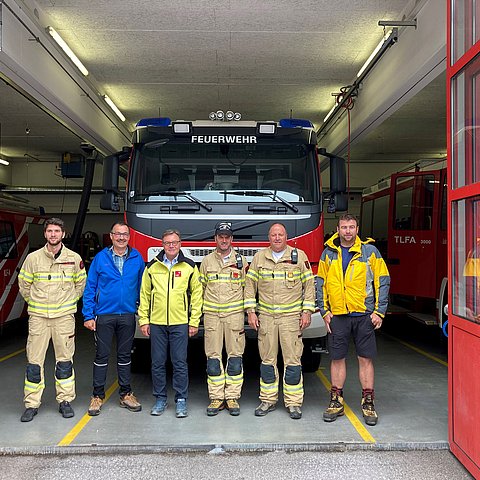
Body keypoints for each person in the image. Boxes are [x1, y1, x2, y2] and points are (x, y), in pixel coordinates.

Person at [316, 214, 390, 426]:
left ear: (357, 229)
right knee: (337, 358)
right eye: (343, 227)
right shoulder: (328, 253)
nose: (347, 231)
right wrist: (324, 311)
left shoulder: (370, 252)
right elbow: (319, 283)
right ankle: (336, 400)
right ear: (337, 229)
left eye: (351, 227)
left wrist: (379, 311)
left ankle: (368, 402)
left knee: (365, 359)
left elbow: (383, 281)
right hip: (338, 316)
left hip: (364, 315)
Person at [17, 217, 86, 422]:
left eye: (57, 231)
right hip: (38, 318)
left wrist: (67, 302)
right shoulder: (33, 259)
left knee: (64, 362)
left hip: (64, 318)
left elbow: (81, 284)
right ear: (45, 234)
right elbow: (24, 286)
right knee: (34, 363)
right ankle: (31, 404)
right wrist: (37, 304)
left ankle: (65, 401)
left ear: (63, 234)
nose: (53, 234)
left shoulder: (73, 258)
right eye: (50, 231)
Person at [244, 223, 315, 420]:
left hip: (291, 320)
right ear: (269, 237)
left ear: (286, 237)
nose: (277, 238)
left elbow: (309, 286)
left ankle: (293, 403)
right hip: (266, 318)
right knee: (267, 361)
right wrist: (250, 311)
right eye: (274, 235)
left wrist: (307, 311)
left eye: (280, 235)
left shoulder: (299, 257)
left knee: (292, 362)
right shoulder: (260, 257)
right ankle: (268, 400)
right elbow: (250, 286)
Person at [138, 229, 203, 418]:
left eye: (174, 242)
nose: (171, 246)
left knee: (179, 363)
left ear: (180, 244)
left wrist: (193, 322)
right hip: (157, 323)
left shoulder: (189, 266)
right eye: (167, 243)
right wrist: (144, 320)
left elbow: (197, 296)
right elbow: (144, 295)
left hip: (180, 323)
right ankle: (160, 399)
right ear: (162, 245)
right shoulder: (152, 267)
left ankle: (181, 400)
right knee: (157, 363)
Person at [82, 222, 146, 416]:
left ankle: (126, 394)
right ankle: (97, 396)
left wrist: (142, 313)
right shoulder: (101, 258)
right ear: (111, 236)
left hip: (127, 314)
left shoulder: (137, 258)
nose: (121, 238)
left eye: (124, 234)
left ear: (129, 237)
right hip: (104, 315)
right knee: (101, 356)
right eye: (117, 234)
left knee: (125, 357)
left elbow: (143, 288)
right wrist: (88, 314)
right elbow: (90, 287)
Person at [199, 222, 247, 416]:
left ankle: (233, 397)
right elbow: (199, 291)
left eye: (227, 237)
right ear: (215, 239)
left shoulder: (241, 262)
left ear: (232, 239)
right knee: (213, 359)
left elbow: (248, 289)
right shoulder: (206, 262)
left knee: (235, 358)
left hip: (235, 318)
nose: (224, 240)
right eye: (221, 236)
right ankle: (216, 397)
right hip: (212, 318)